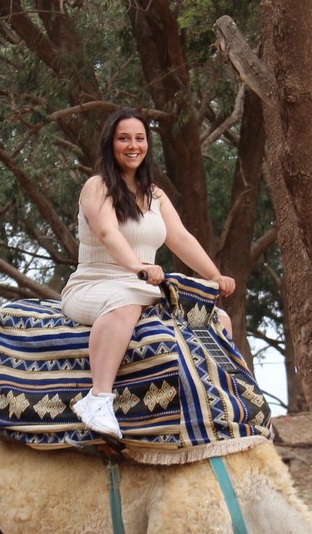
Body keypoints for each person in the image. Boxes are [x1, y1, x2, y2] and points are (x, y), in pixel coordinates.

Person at [61, 108, 235, 439]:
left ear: (147, 145)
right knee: (124, 303)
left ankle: (223, 396)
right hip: (94, 285)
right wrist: (138, 266)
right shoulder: (96, 187)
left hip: (144, 287)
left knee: (217, 318)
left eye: (139, 138)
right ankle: (98, 399)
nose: (132, 145)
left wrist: (216, 276)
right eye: (123, 138)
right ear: (110, 144)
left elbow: (181, 238)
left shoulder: (155, 195)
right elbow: (108, 233)